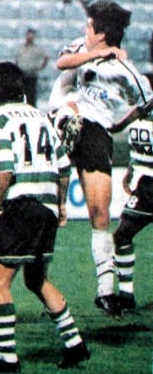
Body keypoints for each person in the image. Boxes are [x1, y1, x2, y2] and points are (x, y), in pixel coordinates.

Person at [0, 62, 90, 372]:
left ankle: (8, 360)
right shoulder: (41, 117)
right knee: (36, 279)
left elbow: (3, 173)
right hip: (47, 207)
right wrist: (62, 206)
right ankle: (75, 345)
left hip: (21, 207)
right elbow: (64, 167)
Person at [52, 0, 151, 318]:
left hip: (96, 135)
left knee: (99, 214)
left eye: (90, 26)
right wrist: (97, 54)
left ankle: (107, 291)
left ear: (102, 33)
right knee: (69, 113)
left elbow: (146, 102)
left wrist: (120, 124)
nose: (85, 29)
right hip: (68, 120)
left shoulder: (127, 72)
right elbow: (62, 63)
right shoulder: (81, 48)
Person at [106, 83, 153, 311]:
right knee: (122, 235)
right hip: (146, 186)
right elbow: (142, 148)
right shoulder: (137, 115)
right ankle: (126, 295)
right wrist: (132, 168)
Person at [15, 28, 49, 108]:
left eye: (32, 36)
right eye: (29, 35)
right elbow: (17, 59)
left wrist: (40, 68)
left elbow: (46, 57)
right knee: (21, 94)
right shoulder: (21, 48)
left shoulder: (37, 48)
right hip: (22, 74)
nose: (30, 37)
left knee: (31, 95)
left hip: (31, 74)